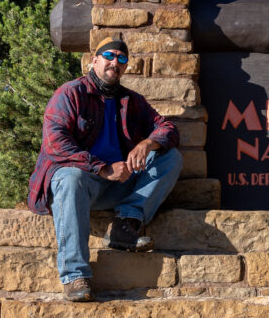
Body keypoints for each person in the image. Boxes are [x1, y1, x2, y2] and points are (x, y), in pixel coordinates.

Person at [27, 36, 182, 302]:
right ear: (93, 60)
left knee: (171, 157)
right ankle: (75, 275)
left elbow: (167, 128)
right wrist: (101, 169)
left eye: (122, 58)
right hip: (82, 183)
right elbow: (55, 144)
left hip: (118, 184)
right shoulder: (70, 93)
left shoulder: (131, 101)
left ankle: (125, 224)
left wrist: (147, 143)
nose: (115, 62)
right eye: (109, 56)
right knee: (69, 175)